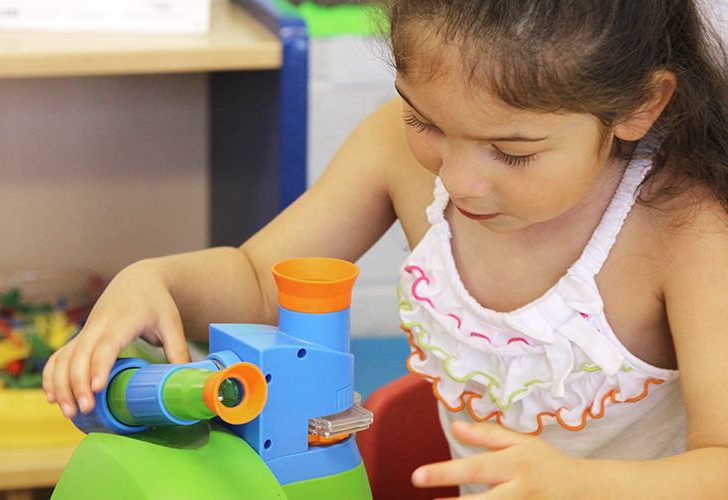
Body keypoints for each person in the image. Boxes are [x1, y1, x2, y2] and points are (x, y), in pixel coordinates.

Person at [44, 0, 728, 496]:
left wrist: (584, 485)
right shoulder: (393, 154)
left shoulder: (686, 227)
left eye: (512, 152)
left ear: (642, 107)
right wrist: (155, 279)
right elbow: (258, 280)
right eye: (422, 120)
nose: (457, 179)